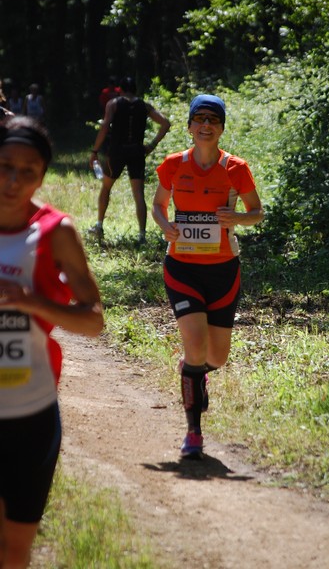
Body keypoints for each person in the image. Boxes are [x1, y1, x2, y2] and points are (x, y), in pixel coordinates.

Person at [0, 115, 104, 567]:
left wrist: (32, 303)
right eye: (4, 166)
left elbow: (94, 321)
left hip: (31, 414)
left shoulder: (56, 231)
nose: (13, 180)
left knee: (16, 549)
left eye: (28, 170)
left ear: (43, 175)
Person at [152, 94, 264, 459]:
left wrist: (238, 219)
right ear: (188, 126)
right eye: (198, 118)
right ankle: (193, 433)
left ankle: (195, 370)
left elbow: (257, 212)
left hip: (223, 272)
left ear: (220, 129)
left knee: (216, 357)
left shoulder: (236, 168)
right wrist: (166, 223)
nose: (205, 125)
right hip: (182, 269)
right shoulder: (172, 165)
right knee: (195, 344)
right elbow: (157, 205)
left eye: (213, 120)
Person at [89, 76, 171, 244]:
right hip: (137, 152)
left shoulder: (113, 104)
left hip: (116, 152)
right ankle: (142, 235)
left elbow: (105, 126)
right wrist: (152, 145)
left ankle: (99, 225)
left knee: (106, 187)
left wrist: (95, 150)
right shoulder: (144, 106)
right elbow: (165, 123)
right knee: (138, 193)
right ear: (135, 89)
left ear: (121, 89)